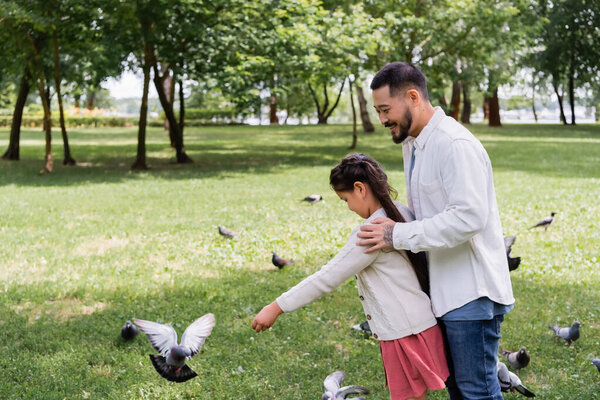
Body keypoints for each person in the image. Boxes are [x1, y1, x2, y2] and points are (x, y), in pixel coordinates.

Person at [357, 62, 515, 400]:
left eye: (386, 109)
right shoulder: (415, 144)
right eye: (378, 111)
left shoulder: (454, 144)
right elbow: (428, 213)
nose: (383, 119)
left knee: (477, 390)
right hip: (443, 291)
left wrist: (395, 236)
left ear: (412, 97)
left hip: (470, 292)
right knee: (458, 388)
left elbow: (468, 217)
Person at [252, 153, 449, 400]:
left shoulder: (370, 233)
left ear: (360, 188)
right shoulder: (401, 211)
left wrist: (276, 306)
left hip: (403, 333)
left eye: (346, 199)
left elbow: (327, 277)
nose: (348, 207)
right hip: (420, 325)